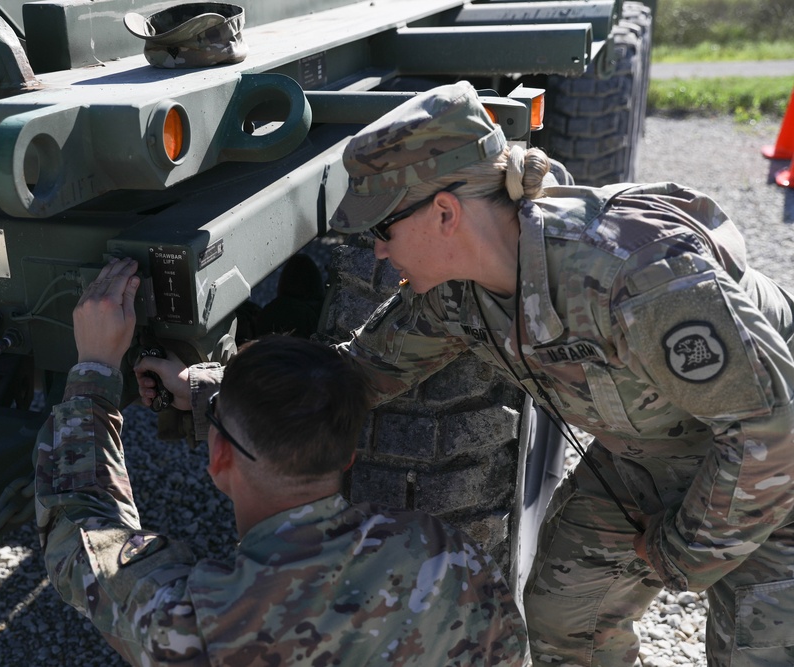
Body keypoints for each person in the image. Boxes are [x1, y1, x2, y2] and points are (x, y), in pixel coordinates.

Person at [312, 79, 794, 666]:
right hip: (653, 453)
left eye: (381, 230)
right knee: (566, 619)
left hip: (775, 470)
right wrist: (212, 391)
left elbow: (770, 432)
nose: (379, 252)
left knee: (761, 648)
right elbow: (360, 374)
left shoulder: (634, 276)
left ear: (444, 212)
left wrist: (680, 552)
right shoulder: (457, 295)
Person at [34, 257, 530, 666]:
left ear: (217, 453)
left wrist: (94, 369)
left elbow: (76, 531)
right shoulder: (450, 557)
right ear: (348, 454)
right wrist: (211, 394)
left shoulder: (202, 626)